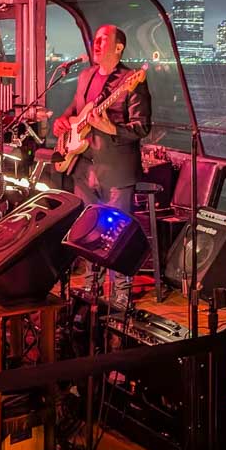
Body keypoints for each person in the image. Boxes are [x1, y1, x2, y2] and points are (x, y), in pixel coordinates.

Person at [52, 25, 151, 306]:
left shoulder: (132, 80)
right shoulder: (86, 76)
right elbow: (75, 108)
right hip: (84, 167)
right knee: (87, 230)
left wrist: (111, 128)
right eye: (95, 39)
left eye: (103, 40)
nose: (96, 44)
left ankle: (121, 292)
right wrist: (63, 121)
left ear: (119, 47)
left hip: (116, 170)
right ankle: (90, 286)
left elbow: (142, 127)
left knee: (116, 231)